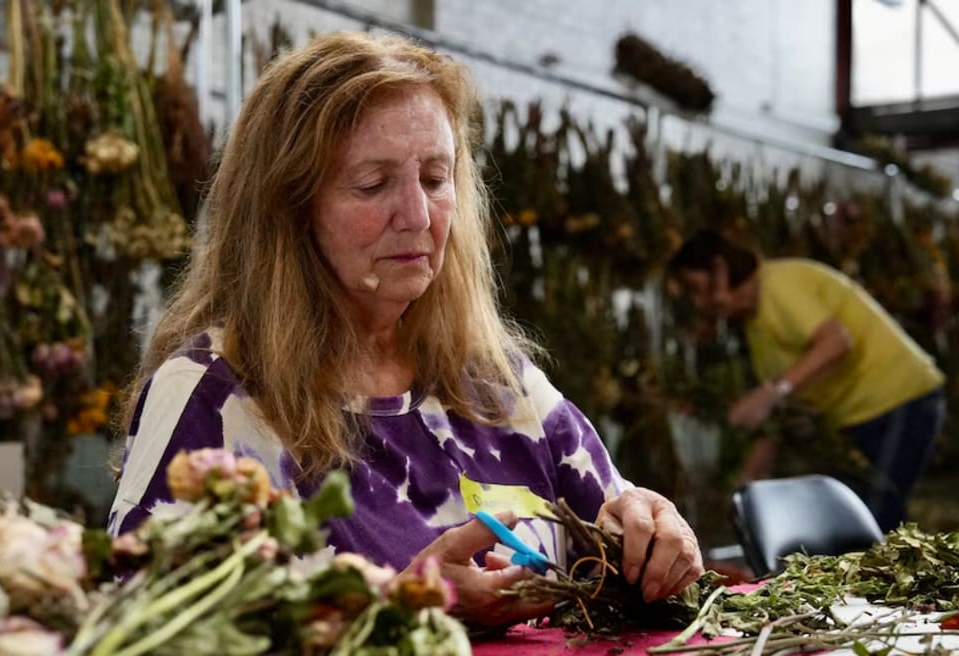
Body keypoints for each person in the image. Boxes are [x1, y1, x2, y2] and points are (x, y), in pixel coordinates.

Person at [108, 31, 703, 627]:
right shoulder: (213, 398)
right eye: (373, 184)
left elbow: (618, 540)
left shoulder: (501, 384)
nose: (417, 215)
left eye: (436, 178)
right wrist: (400, 609)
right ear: (288, 209)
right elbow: (145, 629)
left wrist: (651, 535)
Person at [666, 228, 945, 532]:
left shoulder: (779, 284)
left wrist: (772, 391)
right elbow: (777, 414)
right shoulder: (755, 327)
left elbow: (837, 342)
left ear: (720, 272)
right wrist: (748, 482)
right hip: (861, 415)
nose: (697, 304)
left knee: (876, 512)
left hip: (900, 398)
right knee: (860, 512)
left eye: (696, 288)